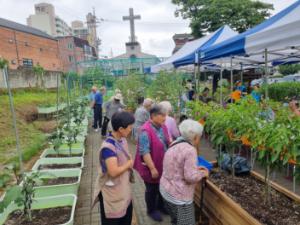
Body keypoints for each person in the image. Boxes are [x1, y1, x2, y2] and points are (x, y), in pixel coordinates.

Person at [160, 119, 209, 225]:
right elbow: (190, 177)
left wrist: (194, 168)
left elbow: (178, 165)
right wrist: (203, 173)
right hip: (178, 198)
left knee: (176, 220)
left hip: (165, 190)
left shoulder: (175, 142)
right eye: (200, 136)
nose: (199, 139)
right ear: (195, 137)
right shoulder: (190, 150)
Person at [92, 111, 135, 225]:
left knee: (126, 217)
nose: (131, 130)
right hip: (112, 193)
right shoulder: (108, 148)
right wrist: (129, 163)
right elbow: (113, 172)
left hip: (122, 190)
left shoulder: (122, 140)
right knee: (114, 220)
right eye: (130, 128)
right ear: (121, 129)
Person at [133, 105, 171, 222]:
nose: (165, 117)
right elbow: (145, 152)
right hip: (151, 166)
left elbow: (167, 141)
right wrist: (153, 168)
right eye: (163, 115)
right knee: (151, 189)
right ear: (154, 116)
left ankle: (160, 206)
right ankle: (151, 210)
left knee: (162, 187)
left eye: (166, 115)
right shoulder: (145, 131)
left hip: (162, 164)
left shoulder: (162, 126)